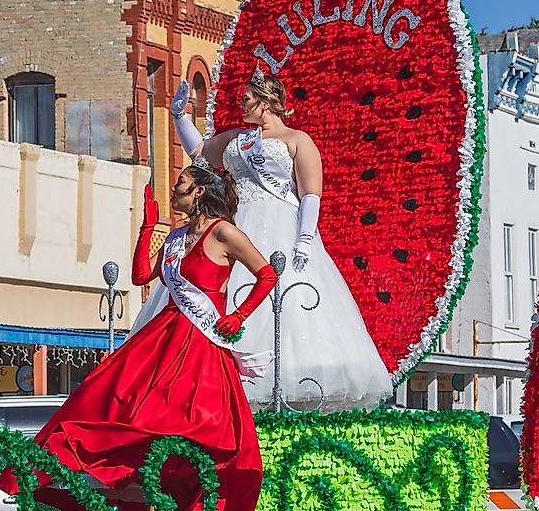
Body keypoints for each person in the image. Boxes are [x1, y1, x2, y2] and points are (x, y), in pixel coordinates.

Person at [0, 161, 277, 511]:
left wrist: (239, 313)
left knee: (184, 424)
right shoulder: (178, 237)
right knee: (104, 399)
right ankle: (94, 486)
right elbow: (141, 276)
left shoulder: (223, 232)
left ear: (199, 192)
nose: (174, 188)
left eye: (180, 183)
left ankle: (164, 510)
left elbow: (267, 274)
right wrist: (149, 226)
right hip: (164, 335)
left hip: (199, 345)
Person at [164, 68, 392, 411]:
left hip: (281, 228)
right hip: (237, 226)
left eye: (247, 99)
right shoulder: (236, 139)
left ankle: (282, 390)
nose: (242, 104)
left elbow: (310, 194)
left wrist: (304, 239)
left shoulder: (297, 140)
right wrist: (180, 116)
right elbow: (199, 153)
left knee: (290, 300)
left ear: (266, 102)